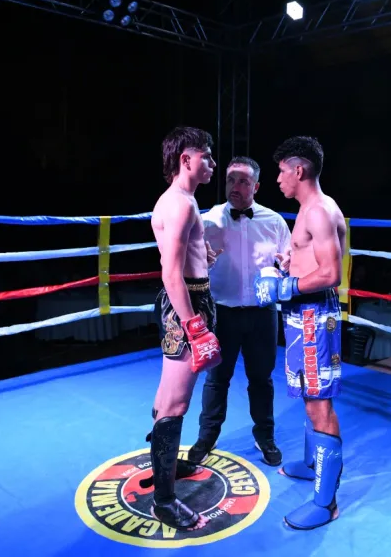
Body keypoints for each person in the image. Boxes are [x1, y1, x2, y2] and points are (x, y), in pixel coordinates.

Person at [254, 136, 345, 531]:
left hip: (314, 315)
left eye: (280, 171)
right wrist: (288, 264)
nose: (277, 179)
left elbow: (331, 274)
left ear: (299, 169)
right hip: (301, 314)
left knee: (318, 405)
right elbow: (312, 261)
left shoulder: (319, 211)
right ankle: (311, 465)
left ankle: (326, 504)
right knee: (309, 395)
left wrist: (285, 287)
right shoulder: (308, 210)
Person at [188, 156, 291, 467]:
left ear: (256, 186)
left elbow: (289, 260)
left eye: (243, 181)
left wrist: (285, 268)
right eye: (231, 179)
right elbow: (192, 264)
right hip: (222, 312)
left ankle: (265, 436)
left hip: (262, 313)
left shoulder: (274, 221)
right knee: (217, 379)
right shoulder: (209, 220)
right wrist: (202, 264)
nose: (235, 186)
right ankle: (207, 436)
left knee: (262, 379)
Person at [147, 126, 222, 531]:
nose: (212, 163)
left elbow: (183, 264)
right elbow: (171, 274)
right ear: (186, 159)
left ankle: (165, 466)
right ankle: (164, 502)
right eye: (207, 155)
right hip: (186, 305)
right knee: (175, 403)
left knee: (168, 398)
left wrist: (203, 259)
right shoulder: (178, 204)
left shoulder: (184, 201)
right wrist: (194, 325)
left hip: (192, 299)